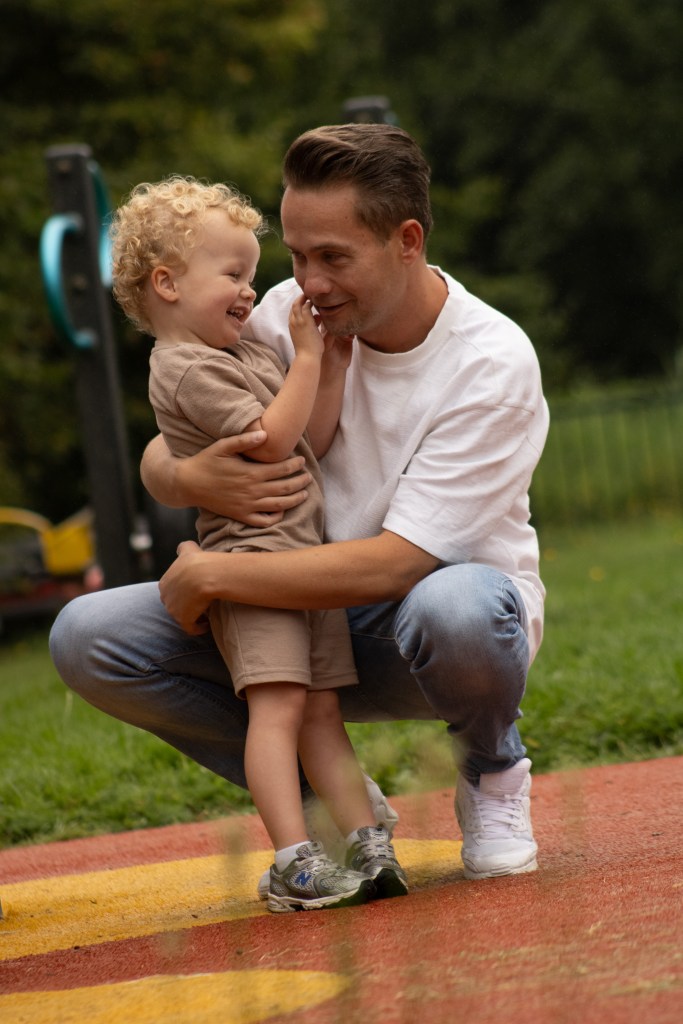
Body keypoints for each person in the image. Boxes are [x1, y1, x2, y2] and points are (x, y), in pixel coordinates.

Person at [50, 123, 549, 889]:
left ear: (406, 241)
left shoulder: (490, 362)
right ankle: (329, 804)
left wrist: (214, 576)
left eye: (332, 258)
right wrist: (185, 480)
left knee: (457, 606)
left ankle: (490, 772)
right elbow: (174, 429)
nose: (307, 282)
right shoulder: (286, 314)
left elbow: (395, 565)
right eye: (296, 256)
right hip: (286, 603)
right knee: (88, 635)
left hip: (422, 631)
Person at [107, 175, 406, 912]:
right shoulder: (185, 367)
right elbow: (271, 441)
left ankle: (366, 842)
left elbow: (308, 439)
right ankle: (294, 860)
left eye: (251, 273)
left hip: (301, 566)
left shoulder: (240, 353)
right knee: (277, 711)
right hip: (250, 571)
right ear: (167, 284)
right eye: (233, 274)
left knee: (321, 712)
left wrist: (329, 371)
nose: (250, 290)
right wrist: (305, 359)